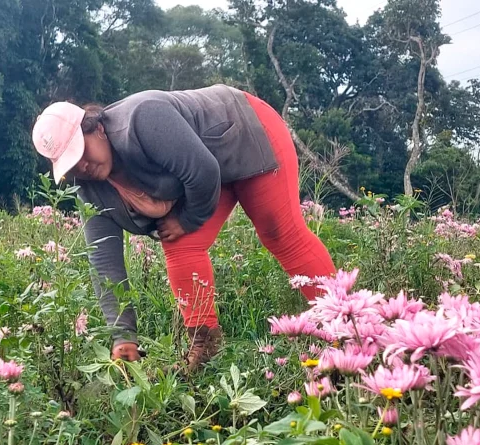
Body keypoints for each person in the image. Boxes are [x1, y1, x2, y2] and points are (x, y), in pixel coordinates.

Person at [32, 84, 337, 373]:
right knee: (179, 244)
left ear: (97, 127)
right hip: (203, 171)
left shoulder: (142, 118)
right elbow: (104, 263)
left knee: (280, 233)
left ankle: (343, 328)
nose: (82, 165)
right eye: (72, 163)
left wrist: (187, 219)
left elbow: (203, 171)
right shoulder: (90, 188)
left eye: (82, 151)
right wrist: (122, 335)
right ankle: (205, 350)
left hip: (244, 128)